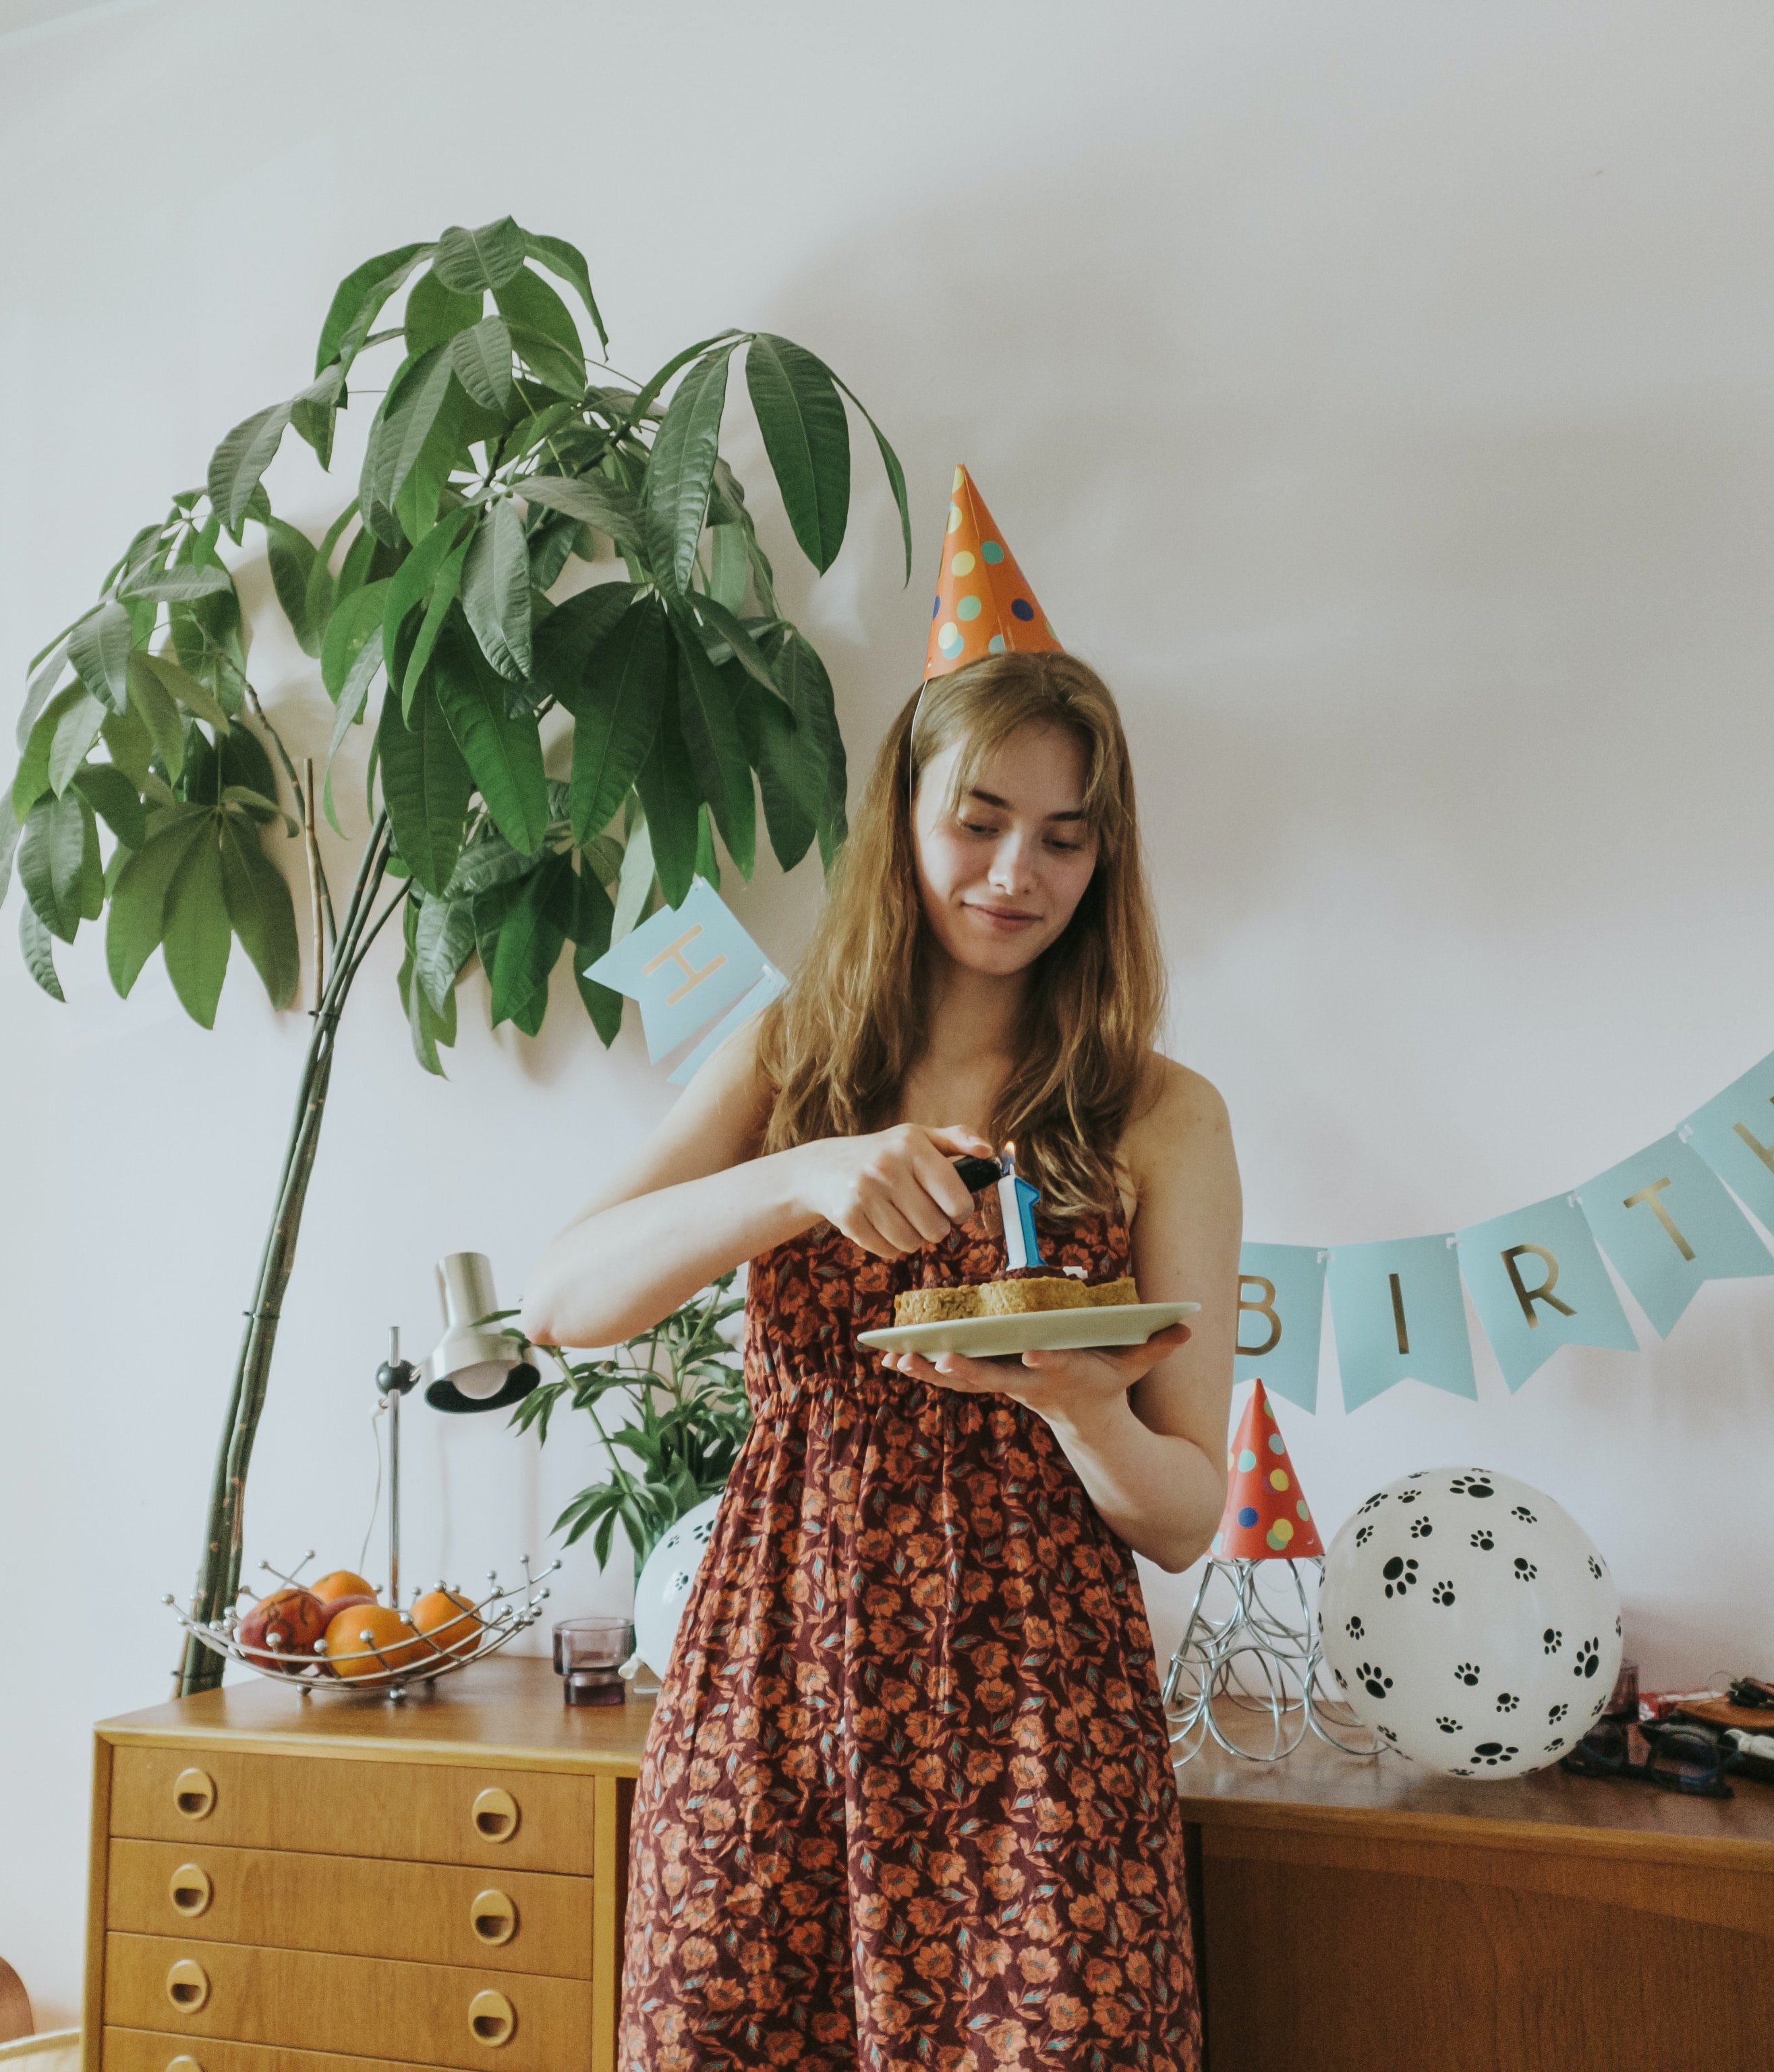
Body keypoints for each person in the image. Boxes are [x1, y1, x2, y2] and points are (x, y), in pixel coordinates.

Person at [521, 471, 1238, 2072]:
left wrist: (1081, 1411)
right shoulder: (789, 1058)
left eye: (1062, 838)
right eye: (976, 822)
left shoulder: (1161, 1117)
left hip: (1039, 1694)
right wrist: (795, 1176)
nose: (1012, 874)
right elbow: (564, 1302)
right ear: (904, 817)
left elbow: (1189, 1518)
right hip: (777, 1661)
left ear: (1102, 861)